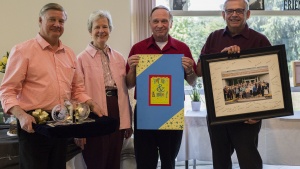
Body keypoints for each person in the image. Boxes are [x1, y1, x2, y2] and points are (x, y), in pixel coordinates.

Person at [0, 3, 103, 169]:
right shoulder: (22, 51)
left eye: (61, 21)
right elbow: (7, 91)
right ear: (40, 21)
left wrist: (91, 104)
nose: (57, 24)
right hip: (33, 127)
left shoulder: (69, 54)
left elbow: (77, 89)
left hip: (60, 124)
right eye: (52, 19)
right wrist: (21, 115)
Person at [196, 0, 271, 169]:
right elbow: (199, 71)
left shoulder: (260, 40)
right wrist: (218, 58)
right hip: (218, 113)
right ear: (223, 15)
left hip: (248, 115)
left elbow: (271, 79)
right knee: (220, 161)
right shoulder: (213, 38)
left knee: (249, 161)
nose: (234, 15)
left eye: (239, 11)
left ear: (248, 14)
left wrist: (260, 113)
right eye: (229, 11)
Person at [126, 5, 197, 169]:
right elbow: (129, 84)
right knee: (145, 162)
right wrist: (132, 69)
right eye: (156, 21)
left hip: (172, 112)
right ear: (149, 23)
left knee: (168, 162)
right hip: (145, 112)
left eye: (164, 21)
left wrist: (190, 70)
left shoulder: (182, 48)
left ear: (171, 23)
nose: (160, 25)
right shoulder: (138, 48)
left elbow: (192, 82)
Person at [75, 10, 133, 169]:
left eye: (105, 26)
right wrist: (79, 129)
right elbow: (76, 92)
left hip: (117, 110)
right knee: (96, 159)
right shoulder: (81, 59)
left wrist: (128, 122)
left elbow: (124, 91)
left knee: (114, 159)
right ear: (90, 31)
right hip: (94, 113)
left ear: (110, 29)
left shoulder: (119, 58)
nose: (101, 30)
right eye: (97, 27)